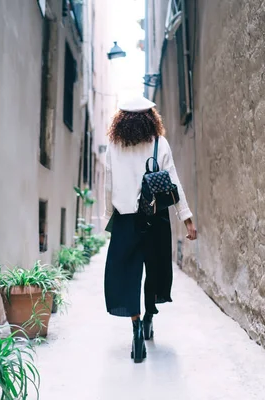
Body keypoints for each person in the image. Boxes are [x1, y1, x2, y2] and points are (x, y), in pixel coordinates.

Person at [103, 95, 198, 363]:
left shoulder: (113, 145)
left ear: (121, 120)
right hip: (156, 217)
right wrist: (186, 217)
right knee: (154, 269)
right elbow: (173, 182)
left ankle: (135, 331)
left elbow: (108, 184)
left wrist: (109, 217)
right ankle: (147, 318)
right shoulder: (160, 142)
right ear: (150, 118)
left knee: (127, 274)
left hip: (125, 220)